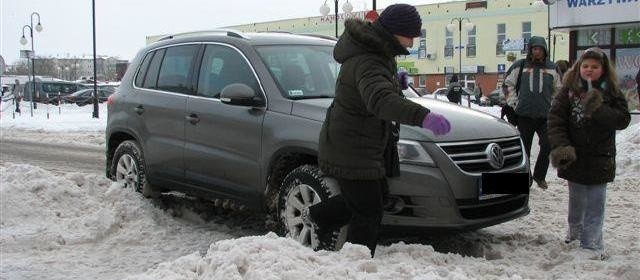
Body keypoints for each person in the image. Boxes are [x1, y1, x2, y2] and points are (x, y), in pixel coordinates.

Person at [309, 4, 451, 257]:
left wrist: (395, 83)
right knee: (369, 211)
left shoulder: (376, 52)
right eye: (410, 34)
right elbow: (380, 101)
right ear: (394, 32)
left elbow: (375, 92)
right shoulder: (369, 59)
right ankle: (355, 265)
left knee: (374, 197)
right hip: (351, 147)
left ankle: (319, 216)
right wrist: (424, 117)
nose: (413, 40)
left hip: (359, 144)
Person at [547, 47, 630, 260]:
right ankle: (574, 233)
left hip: (600, 158)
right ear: (578, 68)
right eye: (585, 66)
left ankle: (592, 242)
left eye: (595, 66)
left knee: (595, 202)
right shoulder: (568, 91)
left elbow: (622, 120)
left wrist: (599, 108)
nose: (589, 70)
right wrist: (562, 146)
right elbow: (556, 121)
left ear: (603, 70)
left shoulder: (611, 92)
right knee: (577, 201)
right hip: (575, 158)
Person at [503, 36, 561, 190]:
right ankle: (525, 178)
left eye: (540, 49)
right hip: (524, 115)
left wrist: (554, 106)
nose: (537, 52)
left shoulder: (552, 68)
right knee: (525, 149)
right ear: (530, 50)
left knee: (548, 145)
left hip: (545, 116)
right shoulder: (519, 66)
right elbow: (508, 84)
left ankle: (539, 176)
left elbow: (559, 90)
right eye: (535, 49)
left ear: (545, 50)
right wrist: (514, 104)